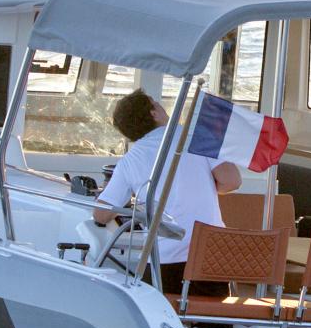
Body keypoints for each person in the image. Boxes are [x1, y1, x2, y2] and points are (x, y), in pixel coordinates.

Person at [92, 89, 240, 294]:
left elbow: (101, 214)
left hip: (163, 261)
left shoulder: (129, 161)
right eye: (156, 103)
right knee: (210, 314)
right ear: (154, 113)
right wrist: (204, 187)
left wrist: (136, 202)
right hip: (208, 256)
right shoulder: (196, 137)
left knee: (155, 304)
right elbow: (232, 181)